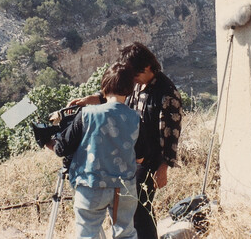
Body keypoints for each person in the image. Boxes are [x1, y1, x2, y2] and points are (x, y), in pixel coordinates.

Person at [70, 42, 183, 239]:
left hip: (148, 161)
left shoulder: (167, 94)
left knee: (140, 208)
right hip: (129, 157)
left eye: (135, 76)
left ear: (147, 67)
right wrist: (93, 99)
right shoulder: (136, 85)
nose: (133, 81)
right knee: (130, 210)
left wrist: (163, 167)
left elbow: (171, 135)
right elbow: (116, 96)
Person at [48, 62, 146, 239]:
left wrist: (46, 141)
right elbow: (139, 158)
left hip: (91, 186)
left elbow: (62, 148)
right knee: (126, 234)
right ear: (130, 89)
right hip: (124, 187)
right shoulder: (136, 118)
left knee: (88, 235)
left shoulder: (87, 114)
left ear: (104, 86)